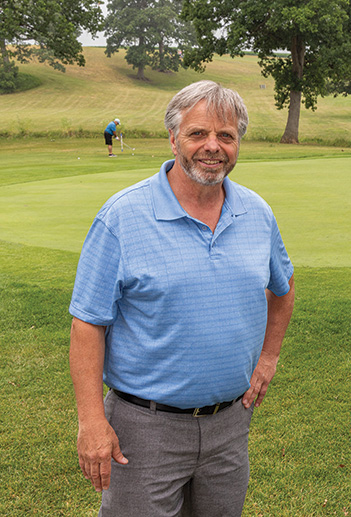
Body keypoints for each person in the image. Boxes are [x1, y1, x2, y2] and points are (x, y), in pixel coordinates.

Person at [70, 80, 295, 516]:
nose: (213, 147)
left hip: (229, 424)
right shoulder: (122, 216)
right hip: (143, 428)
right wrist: (93, 421)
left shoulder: (257, 213)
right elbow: (87, 323)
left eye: (226, 136)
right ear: (174, 138)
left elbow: (282, 290)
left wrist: (268, 359)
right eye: (198, 134)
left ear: (237, 144)